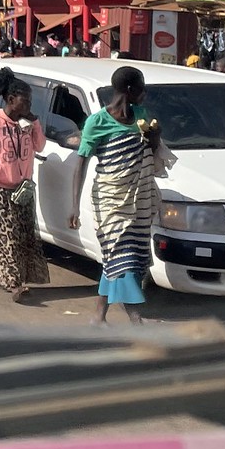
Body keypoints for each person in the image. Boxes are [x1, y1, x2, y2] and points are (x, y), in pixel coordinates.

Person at [68, 65, 166, 325]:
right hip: (111, 201)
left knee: (121, 257)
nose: (144, 95)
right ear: (131, 90)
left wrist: (154, 138)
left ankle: (98, 317)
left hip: (139, 200)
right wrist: (75, 207)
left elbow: (151, 152)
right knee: (125, 260)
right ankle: (137, 322)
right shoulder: (96, 122)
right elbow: (81, 164)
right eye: (142, 89)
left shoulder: (142, 116)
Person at [0, 70, 50, 302]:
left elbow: (40, 147)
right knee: (7, 239)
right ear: (10, 100)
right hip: (1, 192)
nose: (28, 104)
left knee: (24, 238)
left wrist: (35, 122)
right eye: (24, 100)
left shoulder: (27, 123)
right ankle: (13, 284)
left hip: (24, 191)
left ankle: (10, 278)